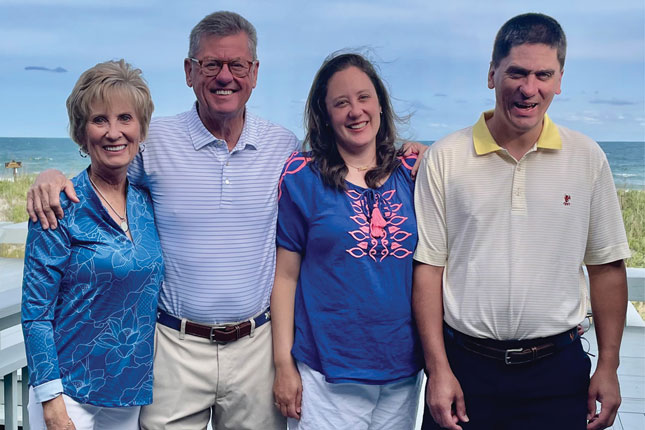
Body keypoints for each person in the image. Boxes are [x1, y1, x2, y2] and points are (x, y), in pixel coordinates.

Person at [27, 11, 299, 430]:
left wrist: (408, 153)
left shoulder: (284, 146)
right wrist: (49, 176)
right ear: (190, 71)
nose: (224, 76)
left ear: (254, 72)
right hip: (173, 349)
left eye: (236, 65)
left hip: (256, 350)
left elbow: (342, 167)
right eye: (211, 65)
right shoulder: (154, 144)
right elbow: (101, 173)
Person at [413, 13, 630, 430]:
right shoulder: (445, 157)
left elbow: (606, 268)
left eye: (543, 74)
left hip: (558, 373)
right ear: (492, 74)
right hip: (465, 371)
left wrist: (609, 366)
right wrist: (437, 370)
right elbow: (428, 271)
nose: (529, 88)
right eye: (516, 72)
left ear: (560, 80)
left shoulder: (586, 157)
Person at [271, 53, 424, 430]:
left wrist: (432, 153)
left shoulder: (414, 171)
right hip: (327, 374)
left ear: (380, 105)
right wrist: (283, 365)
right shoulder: (301, 177)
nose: (355, 111)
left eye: (363, 98)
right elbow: (286, 277)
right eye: (341, 103)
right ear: (324, 115)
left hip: (401, 372)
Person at [21, 59, 163, 430]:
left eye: (125, 119)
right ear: (82, 134)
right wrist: (51, 401)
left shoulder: (148, 201)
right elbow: (36, 313)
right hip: (69, 394)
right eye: (100, 120)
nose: (114, 132)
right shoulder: (58, 205)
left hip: (128, 394)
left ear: (141, 129)